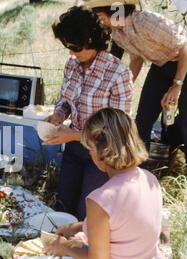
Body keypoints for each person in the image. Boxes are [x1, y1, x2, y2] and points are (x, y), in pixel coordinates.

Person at [16, 108, 162, 259]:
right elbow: (124, 222)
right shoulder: (150, 179)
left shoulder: (100, 199)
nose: (90, 154)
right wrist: (76, 227)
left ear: (104, 152)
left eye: (90, 149)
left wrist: (65, 246)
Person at [83, 0, 187, 174]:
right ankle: (137, 172)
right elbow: (137, 58)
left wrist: (176, 86)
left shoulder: (145, 22)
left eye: (101, 16)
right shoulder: (118, 33)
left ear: (115, 11)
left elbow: (186, 48)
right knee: (142, 120)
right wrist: (124, 86)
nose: (100, 22)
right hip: (161, 65)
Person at [45, 6, 133, 220]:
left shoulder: (118, 74)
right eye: (67, 46)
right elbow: (67, 99)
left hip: (103, 155)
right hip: (74, 149)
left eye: (75, 47)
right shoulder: (72, 65)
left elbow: (118, 127)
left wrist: (73, 134)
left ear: (92, 41)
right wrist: (59, 114)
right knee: (62, 208)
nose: (70, 52)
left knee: (88, 214)